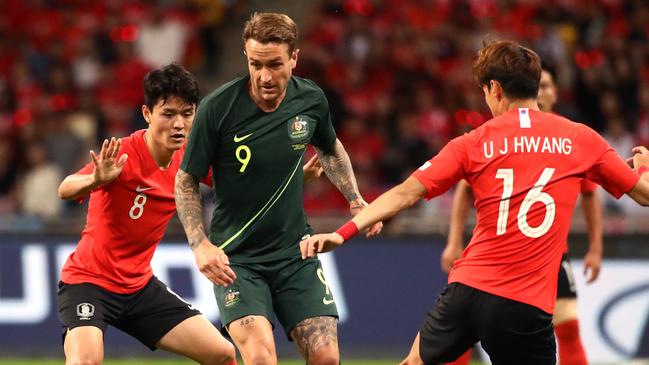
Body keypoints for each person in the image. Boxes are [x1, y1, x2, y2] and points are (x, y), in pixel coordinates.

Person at [301, 40, 649, 364]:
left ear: (495, 89)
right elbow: (644, 195)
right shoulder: (581, 139)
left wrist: (343, 233)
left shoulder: (473, 142)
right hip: (524, 305)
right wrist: (644, 165)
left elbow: (405, 192)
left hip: (467, 292)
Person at [174, 12, 382, 365]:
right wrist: (199, 244)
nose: (265, 76)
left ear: (294, 58)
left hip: (294, 252)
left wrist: (356, 200)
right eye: (256, 64)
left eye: (275, 64)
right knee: (259, 359)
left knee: (327, 359)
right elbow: (185, 179)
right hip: (236, 259)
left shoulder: (311, 99)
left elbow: (330, 149)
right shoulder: (218, 108)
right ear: (246, 57)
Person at [56, 63, 237, 365]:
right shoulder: (123, 154)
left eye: (187, 113)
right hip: (88, 283)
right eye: (168, 114)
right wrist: (95, 180)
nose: (178, 124)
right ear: (147, 114)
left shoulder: (190, 158)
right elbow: (65, 188)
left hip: (139, 288)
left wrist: (296, 178)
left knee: (223, 354)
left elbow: (238, 185)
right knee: (84, 362)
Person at [440, 65, 603, 365]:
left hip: (551, 254)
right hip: (501, 252)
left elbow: (591, 194)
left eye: (550, 85)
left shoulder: (572, 138)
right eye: (540, 85)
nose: (544, 91)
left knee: (567, 324)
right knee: (464, 331)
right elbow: (464, 188)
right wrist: (454, 240)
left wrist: (595, 247)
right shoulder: (504, 135)